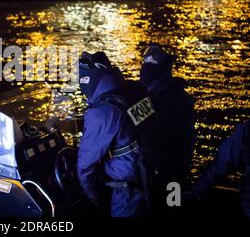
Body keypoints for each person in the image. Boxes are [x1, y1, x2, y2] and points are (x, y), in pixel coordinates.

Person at [77, 51, 157, 217]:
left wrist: (95, 199)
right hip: (154, 173)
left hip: (128, 192)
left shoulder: (103, 112)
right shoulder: (136, 89)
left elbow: (85, 166)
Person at [139, 44, 195, 190]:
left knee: (170, 204)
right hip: (165, 169)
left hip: (168, 169)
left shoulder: (169, 98)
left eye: (149, 65)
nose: (145, 69)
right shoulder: (176, 95)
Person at [189, 120, 250, 216]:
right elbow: (223, 160)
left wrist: (196, 192)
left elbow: (223, 161)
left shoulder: (246, 130)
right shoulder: (246, 130)